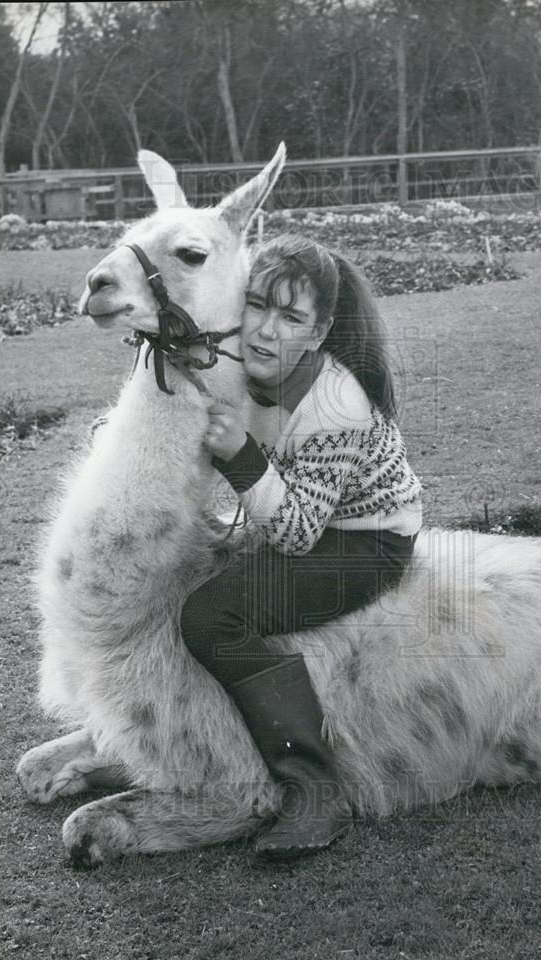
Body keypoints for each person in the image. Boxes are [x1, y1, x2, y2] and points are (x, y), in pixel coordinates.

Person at [180, 234, 422, 859]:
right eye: (256, 304)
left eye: (291, 318)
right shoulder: (243, 354)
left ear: (319, 334)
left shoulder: (337, 406)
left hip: (365, 543)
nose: (264, 329)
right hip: (306, 519)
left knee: (213, 615)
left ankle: (316, 793)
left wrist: (239, 455)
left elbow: (296, 531)